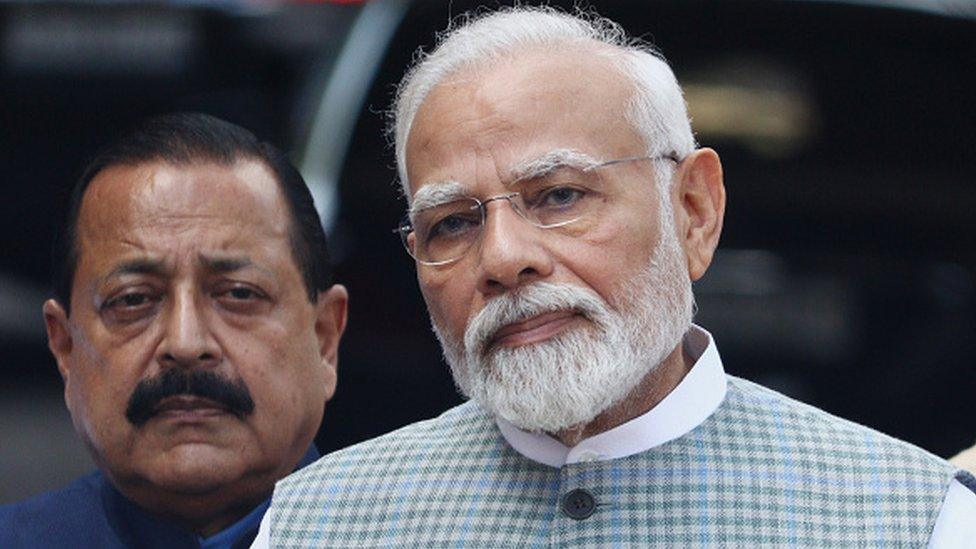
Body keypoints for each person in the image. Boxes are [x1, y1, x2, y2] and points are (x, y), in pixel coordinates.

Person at [257, 7, 975, 546]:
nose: (504, 259)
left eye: (559, 195)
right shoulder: (317, 523)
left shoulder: (910, 517)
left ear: (694, 211)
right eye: (452, 223)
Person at [0, 113, 348, 548]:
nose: (185, 343)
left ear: (324, 339)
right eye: (132, 300)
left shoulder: (425, 534)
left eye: (238, 294)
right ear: (65, 347)